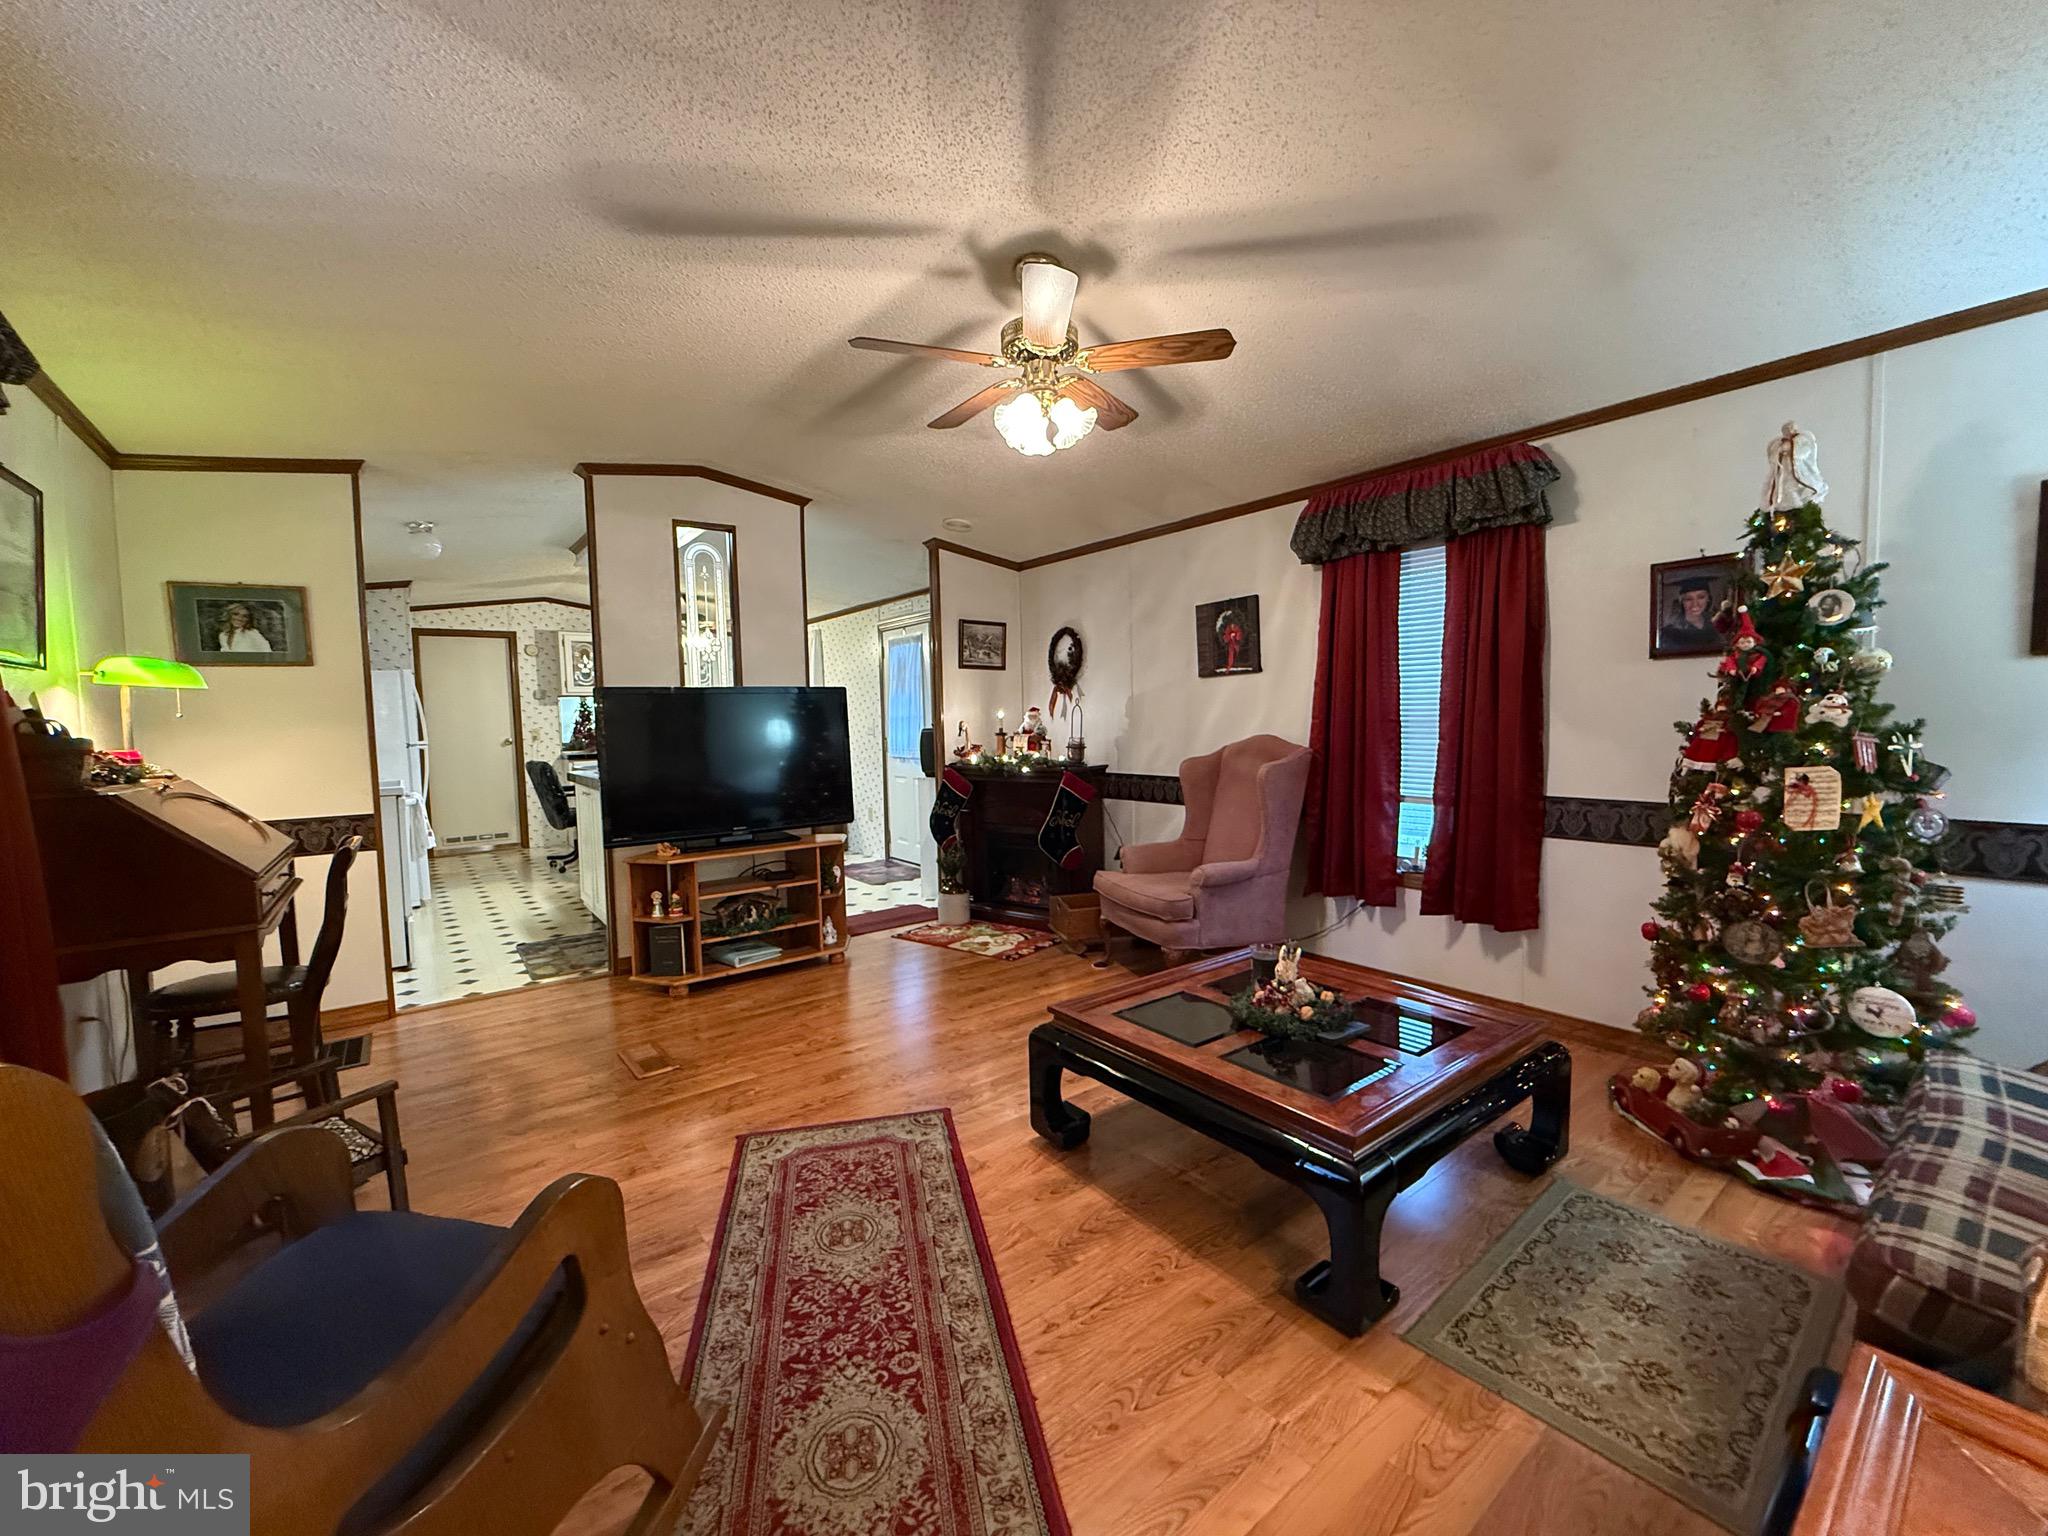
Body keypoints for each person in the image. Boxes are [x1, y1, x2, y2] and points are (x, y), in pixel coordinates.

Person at [1658, 578, 1718, 651]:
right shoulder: (1669, 633)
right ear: (1681, 601)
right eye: (1688, 599)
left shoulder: (1717, 626)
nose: (1695, 604)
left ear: (1708, 598)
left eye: (1701, 597)